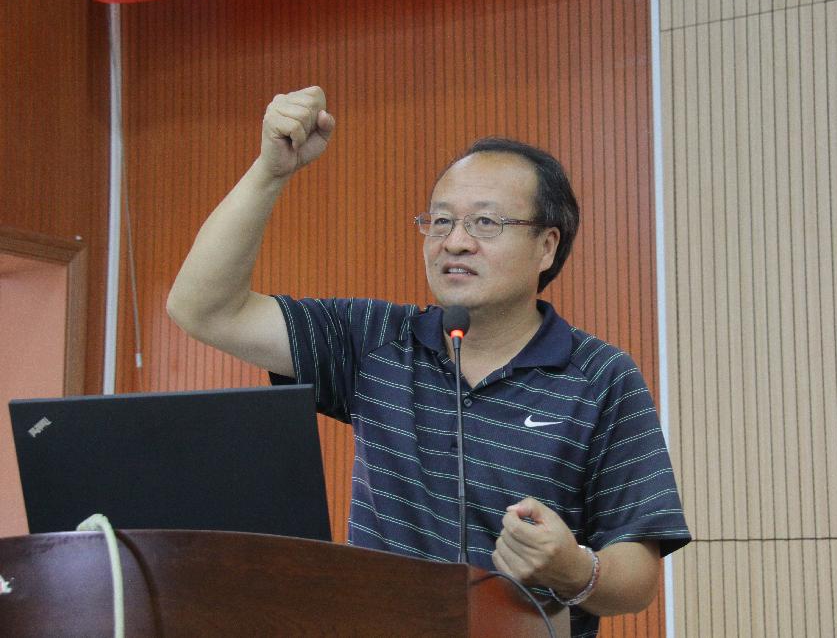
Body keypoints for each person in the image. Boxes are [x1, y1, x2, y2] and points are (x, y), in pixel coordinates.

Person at [167, 86, 690, 637]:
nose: (454, 242)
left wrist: (574, 569)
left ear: (547, 246)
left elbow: (637, 577)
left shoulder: (601, 377)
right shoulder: (373, 340)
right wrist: (270, 172)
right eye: (439, 222)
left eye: (486, 223)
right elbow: (204, 309)